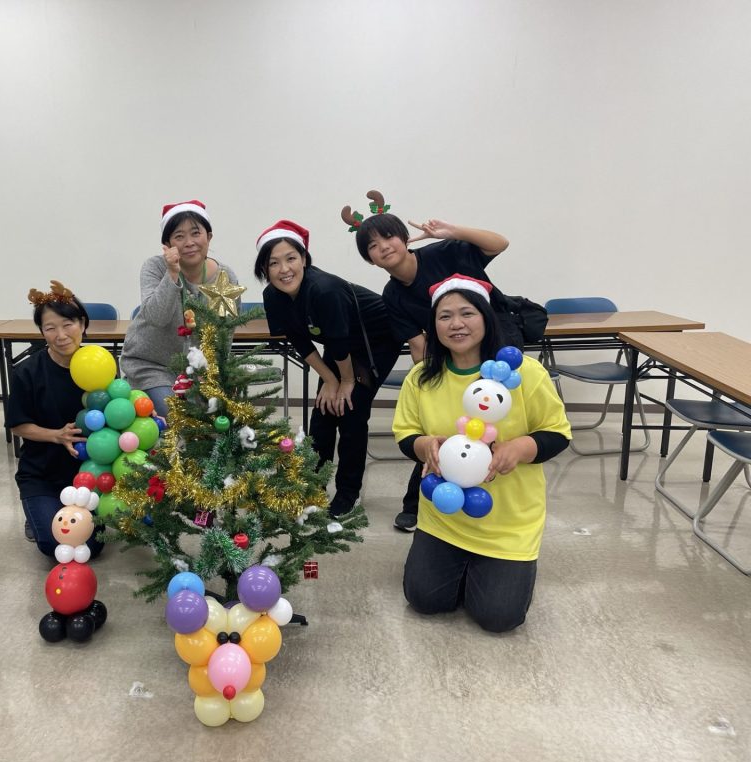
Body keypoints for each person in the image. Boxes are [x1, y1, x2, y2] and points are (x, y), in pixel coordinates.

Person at [393, 275, 570, 633]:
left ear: (486, 318)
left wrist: (519, 448)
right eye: (444, 316)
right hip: (444, 517)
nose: (456, 324)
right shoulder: (422, 377)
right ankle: (462, 564)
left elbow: (557, 433)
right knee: (424, 600)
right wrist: (425, 446)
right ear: (433, 326)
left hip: (508, 522)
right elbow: (405, 433)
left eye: (467, 313)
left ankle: (497, 570)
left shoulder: (524, 373)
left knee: (498, 617)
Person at [346, 190, 513, 534]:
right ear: (370, 260)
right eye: (373, 246)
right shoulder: (392, 295)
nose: (384, 247)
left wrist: (453, 231)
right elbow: (419, 346)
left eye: (388, 237)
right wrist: (429, 386)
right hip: (451, 355)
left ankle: (492, 492)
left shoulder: (442, 253)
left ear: (404, 238)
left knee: (490, 419)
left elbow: (500, 243)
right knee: (443, 425)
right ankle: (416, 503)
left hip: (497, 341)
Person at [255, 219, 403, 517]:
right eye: (273, 263)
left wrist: (345, 382)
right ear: (264, 269)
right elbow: (300, 341)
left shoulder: (324, 290)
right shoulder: (273, 296)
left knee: (350, 411)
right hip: (340, 346)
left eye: (291, 258)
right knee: (323, 414)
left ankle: (349, 493)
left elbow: (338, 342)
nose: (284, 269)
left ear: (304, 259)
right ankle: (314, 487)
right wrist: (330, 380)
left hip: (375, 340)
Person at [5, 280, 105, 556]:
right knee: (55, 543)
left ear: (82, 323)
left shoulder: (100, 365)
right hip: (42, 473)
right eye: (50, 328)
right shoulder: (27, 372)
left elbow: (116, 407)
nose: (60, 335)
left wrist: (139, 409)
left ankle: (49, 513)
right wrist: (56, 435)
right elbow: (17, 426)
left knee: (92, 545)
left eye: (67, 324)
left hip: (88, 473)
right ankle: (37, 510)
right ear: (41, 332)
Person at [120, 199, 239, 419]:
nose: (189, 242)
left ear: (209, 237)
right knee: (178, 416)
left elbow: (225, 333)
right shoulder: (154, 268)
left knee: (219, 417)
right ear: (167, 244)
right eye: (179, 236)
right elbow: (156, 317)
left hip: (199, 370)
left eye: (196, 233)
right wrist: (172, 273)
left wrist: (211, 371)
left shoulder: (225, 277)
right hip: (152, 366)